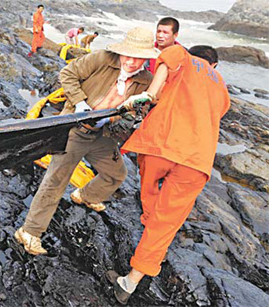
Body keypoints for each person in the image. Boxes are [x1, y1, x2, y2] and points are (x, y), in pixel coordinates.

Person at [15, 27, 158, 256]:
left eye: (138, 57)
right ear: (121, 51)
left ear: (146, 58)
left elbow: (136, 113)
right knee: (55, 181)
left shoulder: (145, 80)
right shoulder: (102, 58)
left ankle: (84, 195)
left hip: (103, 135)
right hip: (74, 129)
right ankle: (29, 232)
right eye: (128, 55)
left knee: (116, 174)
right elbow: (68, 74)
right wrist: (80, 102)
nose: (131, 62)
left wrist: (124, 117)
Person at [106, 45, 230, 304]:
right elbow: (218, 112)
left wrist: (150, 94)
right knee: (168, 221)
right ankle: (129, 283)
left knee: (148, 180)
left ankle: (149, 213)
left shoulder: (182, 56)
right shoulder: (221, 85)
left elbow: (164, 68)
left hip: (161, 143)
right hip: (197, 159)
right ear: (214, 65)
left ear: (194, 53)